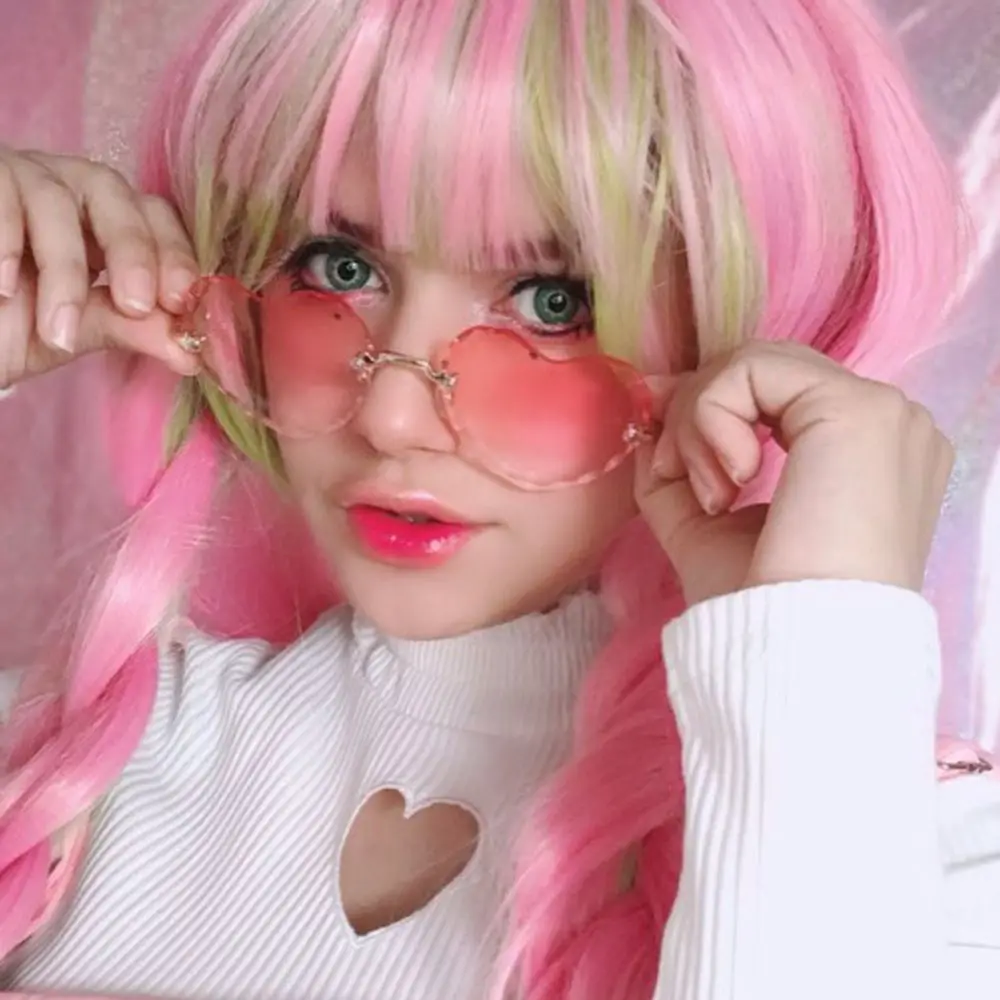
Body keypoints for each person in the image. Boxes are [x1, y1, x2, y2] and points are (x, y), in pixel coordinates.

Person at [0, 1, 998, 998]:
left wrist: (817, 649)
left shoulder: (925, 867)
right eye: (339, 268)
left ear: (747, 333)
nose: (393, 415)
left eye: (552, 301)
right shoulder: (63, 778)